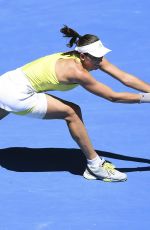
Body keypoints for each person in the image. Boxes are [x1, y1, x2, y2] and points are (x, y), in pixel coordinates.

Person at [0, 25, 150, 182]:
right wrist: (146, 98)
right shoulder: (77, 72)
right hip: (17, 95)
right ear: (83, 56)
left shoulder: (88, 56)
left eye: (101, 56)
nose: (100, 60)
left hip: (4, 82)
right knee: (72, 112)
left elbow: (125, 78)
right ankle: (95, 166)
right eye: (96, 57)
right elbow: (113, 97)